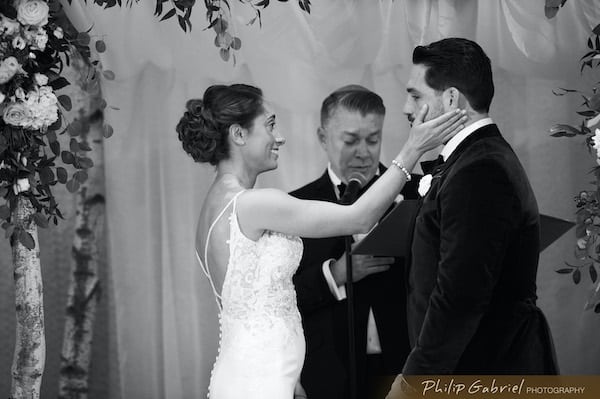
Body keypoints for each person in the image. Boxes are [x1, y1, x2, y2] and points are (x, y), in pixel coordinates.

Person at [176, 83, 465, 399]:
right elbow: (360, 217)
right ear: (239, 135)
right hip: (263, 380)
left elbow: (251, 307)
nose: (280, 137)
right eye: (270, 125)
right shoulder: (252, 204)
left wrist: (290, 377)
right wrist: (413, 148)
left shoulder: (216, 205)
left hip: (257, 373)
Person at [386, 38, 558, 398]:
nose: (406, 107)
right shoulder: (474, 160)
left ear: (451, 99)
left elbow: (459, 299)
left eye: (416, 96)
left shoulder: (480, 170)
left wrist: (411, 384)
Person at [290, 85, 417, 399]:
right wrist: (334, 275)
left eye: (373, 139)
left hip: (406, 365)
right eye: (350, 140)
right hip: (330, 371)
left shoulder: (415, 198)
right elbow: (281, 300)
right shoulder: (296, 206)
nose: (364, 152)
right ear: (323, 138)